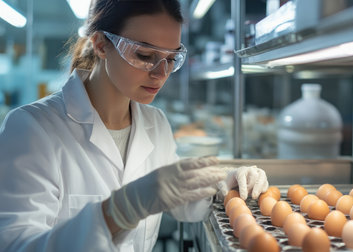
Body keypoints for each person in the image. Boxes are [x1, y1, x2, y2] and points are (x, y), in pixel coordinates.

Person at [0, 0, 268, 251]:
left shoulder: (155, 123)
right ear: (101, 44)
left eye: (171, 58)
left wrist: (223, 183)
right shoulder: (31, 128)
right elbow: (17, 244)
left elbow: (180, 202)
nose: (161, 73)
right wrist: (116, 213)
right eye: (144, 54)